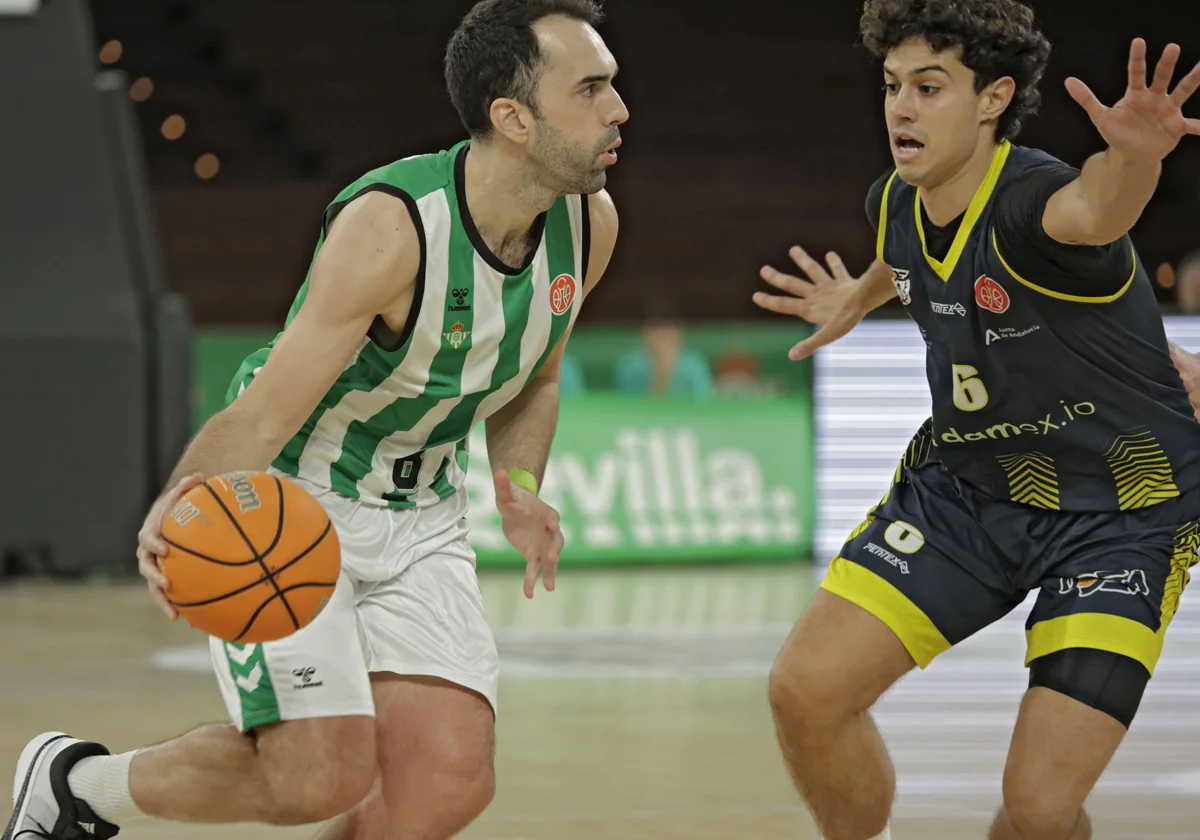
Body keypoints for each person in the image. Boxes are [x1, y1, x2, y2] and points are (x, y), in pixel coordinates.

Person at [4, 2, 625, 840]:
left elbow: (534, 379)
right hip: (296, 496)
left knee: (446, 784)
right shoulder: (391, 227)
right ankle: (75, 787)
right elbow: (265, 409)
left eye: (612, 86)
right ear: (512, 118)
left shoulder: (591, 226)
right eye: (590, 89)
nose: (618, 109)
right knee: (314, 777)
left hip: (424, 511)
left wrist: (518, 485)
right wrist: (183, 500)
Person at [753, 2, 1200, 839]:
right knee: (804, 692)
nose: (900, 108)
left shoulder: (1038, 209)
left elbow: (1098, 208)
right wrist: (855, 295)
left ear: (993, 99)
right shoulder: (895, 197)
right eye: (891, 86)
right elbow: (903, 250)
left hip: (1121, 515)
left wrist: (1135, 159)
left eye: (929, 87)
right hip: (969, 493)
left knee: (1037, 810)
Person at [614, 303, 714, 398]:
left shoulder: (694, 364)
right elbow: (632, 406)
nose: (662, 337)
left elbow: (704, 401)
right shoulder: (630, 365)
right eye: (656, 330)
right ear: (644, 333)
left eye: (668, 329)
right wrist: (662, 373)